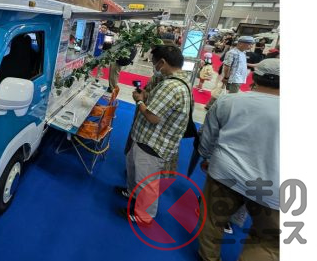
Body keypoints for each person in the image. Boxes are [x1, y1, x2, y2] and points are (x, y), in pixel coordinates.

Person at [197, 58, 280, 261]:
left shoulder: (229, 101)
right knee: (268, 240)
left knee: (212, 220)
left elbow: (208, 136)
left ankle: (208, 258)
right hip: (273, 183)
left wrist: (206, 156)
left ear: (254, 77)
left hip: (226, 172)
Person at [115, 45, 192, 225]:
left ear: (162, 62)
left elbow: (153, 117)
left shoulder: (171, 86)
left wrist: (139, 101)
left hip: (153, 143)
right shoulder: (177, 81)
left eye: (154, 63)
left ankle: (144, 215)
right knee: (136, 171)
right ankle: (132, 193)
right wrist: (147, 96)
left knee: (146, 182)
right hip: (146, 138)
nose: (154, 67)